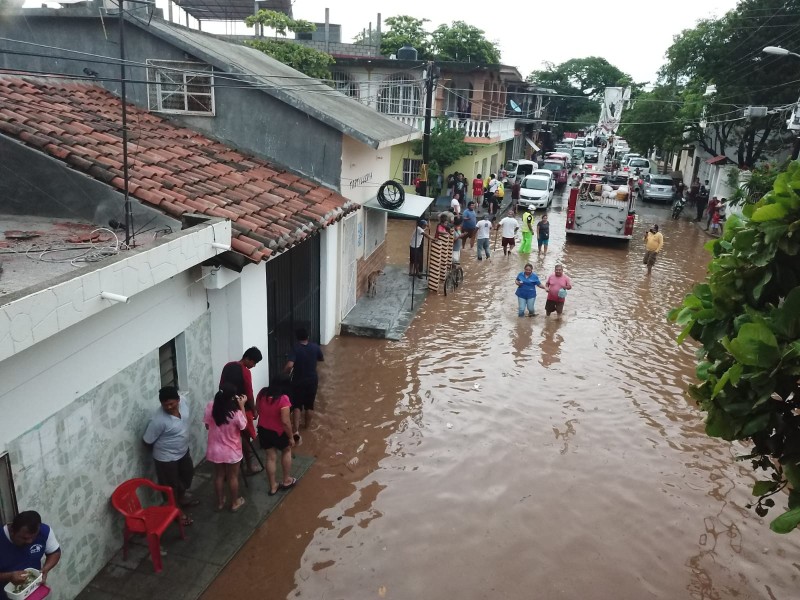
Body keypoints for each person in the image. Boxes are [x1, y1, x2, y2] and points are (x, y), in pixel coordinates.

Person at [142, 386, 197, 526]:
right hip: (165, 458)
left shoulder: (183, 402)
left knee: (188, 474)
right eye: (165, 405)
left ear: (178, 400)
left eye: (172, 403)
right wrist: (163, 451)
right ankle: (176, 510)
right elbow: (147, 441)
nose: (169, 407)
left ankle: (182, 498)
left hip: (183, 451)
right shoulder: (158, 420)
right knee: (170, 486)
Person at [204, 382, 248, 512]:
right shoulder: (235, 413)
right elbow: (244, 426)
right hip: (231, 451)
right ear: (232, 397)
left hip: (215, 450)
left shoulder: (210, 406)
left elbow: (207, 426)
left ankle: (220, 502)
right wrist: (242, 406)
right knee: (233, 477)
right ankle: (234, 502)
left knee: (219, 476)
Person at [220, 347, 263, 475]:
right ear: (247, 358)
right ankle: (249, 466)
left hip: (225, 408)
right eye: (254, 363)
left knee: (228, 438)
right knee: (246, 437)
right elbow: (249, 394)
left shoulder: (227, 366)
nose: (254, 366)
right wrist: (255, 410)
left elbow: (221, 385)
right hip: (242, 409)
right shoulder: (245, 372)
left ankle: (228, 468)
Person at [256, 381, 297, 496]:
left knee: (270, 457)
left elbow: (258, 409)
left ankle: (273, 486)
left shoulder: (262, 393)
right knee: (287, 450)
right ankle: (286, 480)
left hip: (263, 430)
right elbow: (285, 422)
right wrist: (291, 437)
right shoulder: (283, 399)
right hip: (278, 432)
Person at [284, 328, 324, 443]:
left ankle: (296, 431)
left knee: (297, 405)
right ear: (308, 336)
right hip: (312, 380)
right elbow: (321, 359)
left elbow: (289, 365)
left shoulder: (295, 349)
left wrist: (284, 374)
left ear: (297, 338)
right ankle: (307, 427)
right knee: (309, 405)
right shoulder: (315, 347)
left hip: (298, 381)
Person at [0, 511, 61, 587]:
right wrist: (9, 576)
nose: (30, 541)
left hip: (32, 589)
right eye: (24, 538)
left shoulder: (44, 532)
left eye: (34, 537)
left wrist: (45, 569)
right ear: (12, 531)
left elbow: (54, 552)